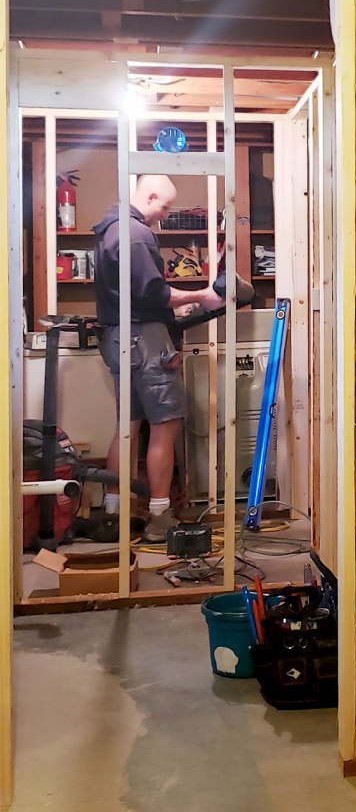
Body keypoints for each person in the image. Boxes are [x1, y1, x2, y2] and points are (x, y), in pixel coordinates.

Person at [93, 175, 223, 541]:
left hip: (119, 335)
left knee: (128, 425)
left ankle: (114, 513)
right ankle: (159, 515)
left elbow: (134, 292)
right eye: (164, 206)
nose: (164, 215)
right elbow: (153, 292)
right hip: (144, 337)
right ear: (150, 196)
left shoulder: (109, 229)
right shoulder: (135, 234)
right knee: (166, 424)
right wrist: (201, 295)